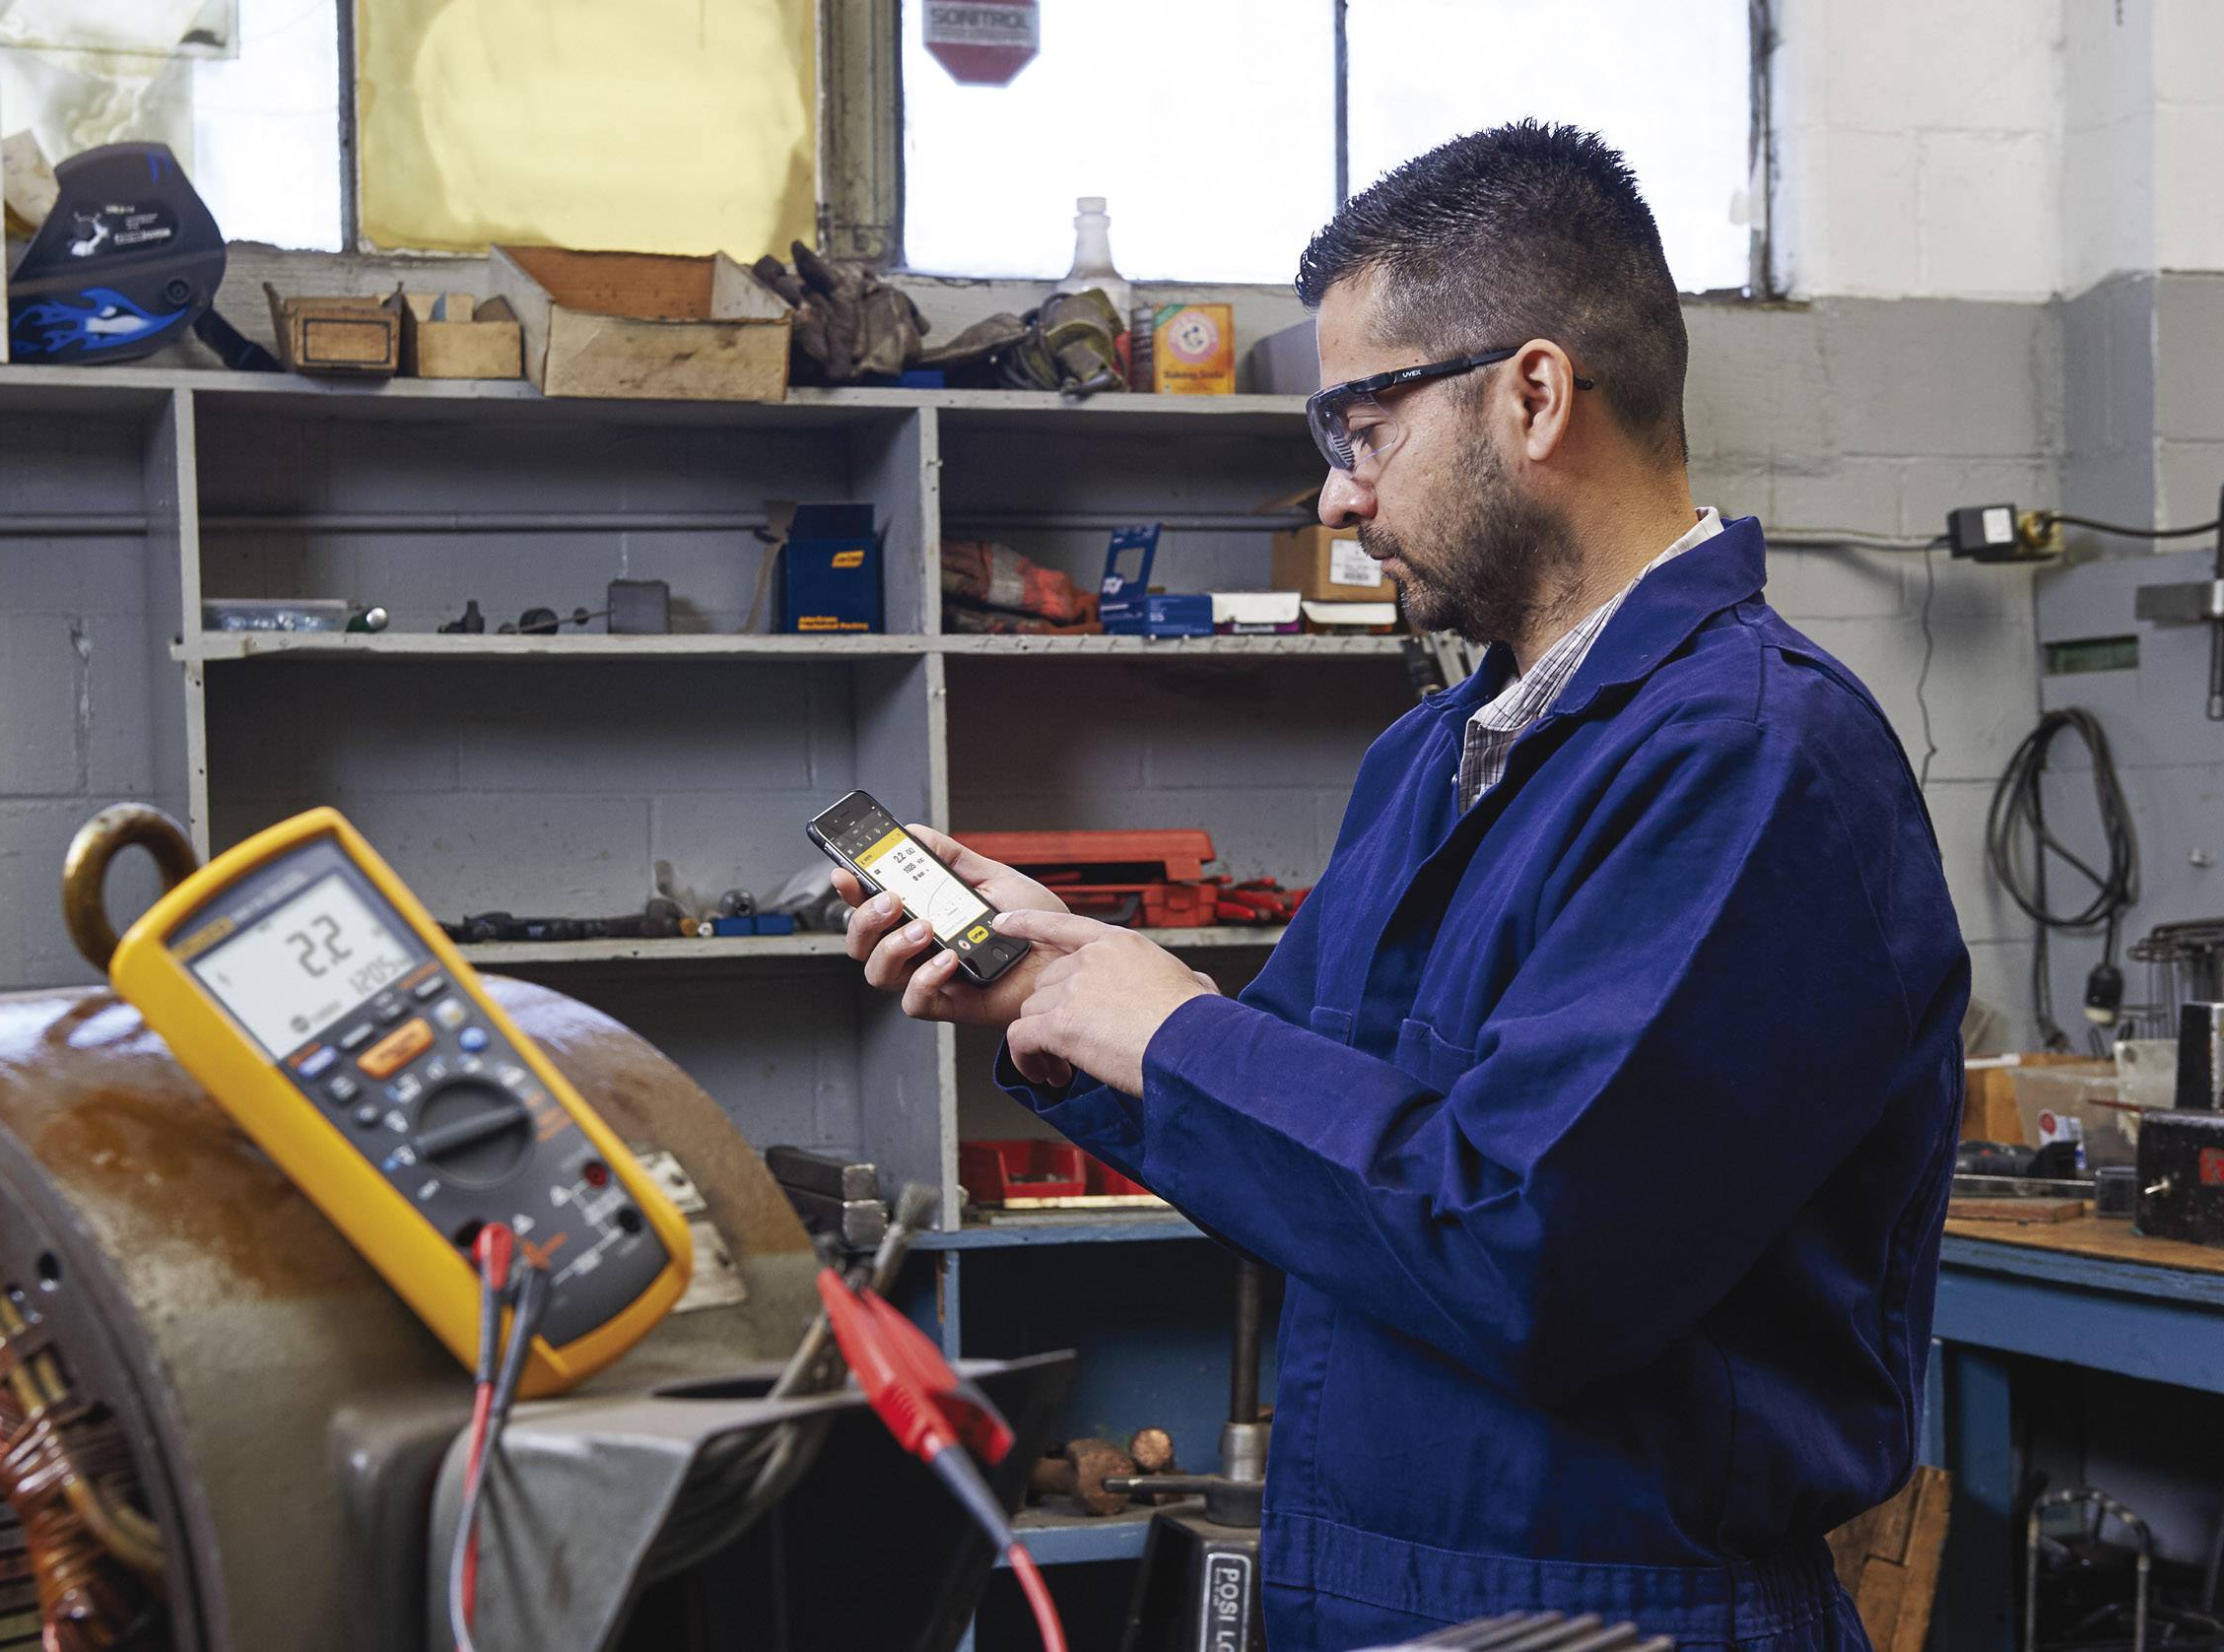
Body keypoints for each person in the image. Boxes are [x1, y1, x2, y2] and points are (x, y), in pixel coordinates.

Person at [836, 122, 1967, 1650]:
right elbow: (1310, 1154)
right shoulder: (1438, 752)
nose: (1338, 503)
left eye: (1362, 428)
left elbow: (1527, 1247)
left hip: (1620, 1611)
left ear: (1536, 394)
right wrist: (1059, 992)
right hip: (1360, 1582)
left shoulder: (1752, 762)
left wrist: (1166, 1027)